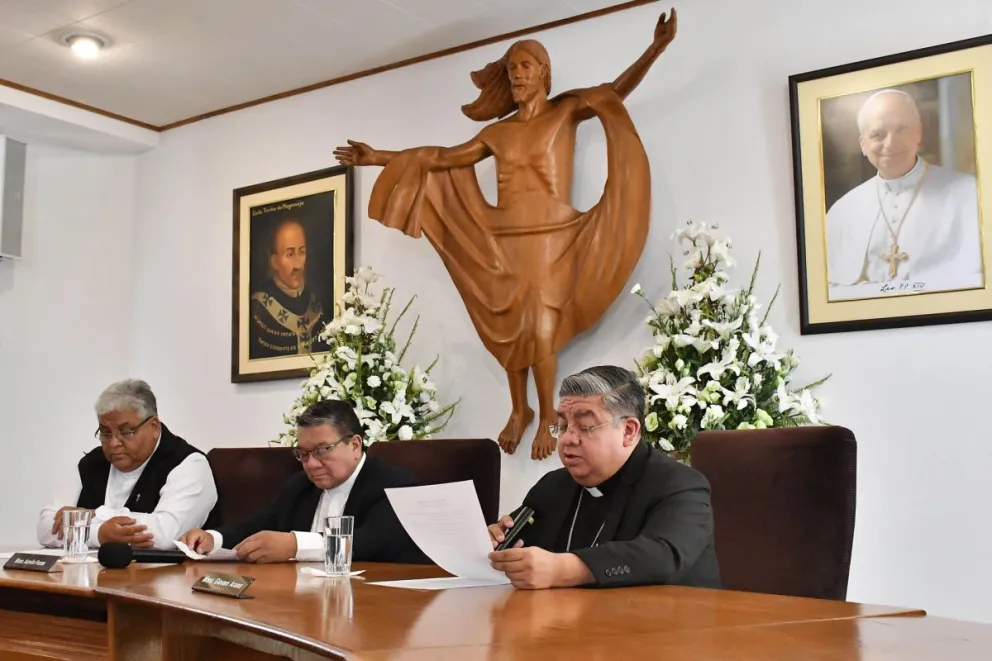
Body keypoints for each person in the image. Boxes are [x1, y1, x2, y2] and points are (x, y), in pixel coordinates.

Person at [334, 10, 678, 461]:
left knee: (542, 323)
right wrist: (377, 155)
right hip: (503, 235)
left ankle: (552, 413)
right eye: (512, 68)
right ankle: (520, 409)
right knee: (508, 324)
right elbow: (444, 158)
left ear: (544, 74)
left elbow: (615, 93)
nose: (517, 74)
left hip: (554, 234)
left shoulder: (567, 111)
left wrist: (656, 47)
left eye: (526, 66)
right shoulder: (496, 132)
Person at [486, 365, 721, 590]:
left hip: (667, 624)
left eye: (585, 426)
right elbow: (519, 549)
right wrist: (496, 544)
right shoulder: (552, 487)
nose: (568, 439)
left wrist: (566, 568)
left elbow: (665, 554)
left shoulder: (679, 485)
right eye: (562, 425)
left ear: (629, 431)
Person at [177, 399, 427, 564]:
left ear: (355, 444)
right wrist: (212, 538)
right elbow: (256, 526)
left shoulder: (395, 484)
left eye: (322, 450)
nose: (311, 464)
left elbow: (370, 543)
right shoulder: (299, 486)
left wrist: (295, 545)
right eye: (303, 454)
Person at [826, 88, 983, 301]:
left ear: (918, 133)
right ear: (863, 144)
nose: (890, 143)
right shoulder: (842, 211)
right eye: (877, 135)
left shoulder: (970, 195)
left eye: (901, 130)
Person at [37, 379, 220, 550]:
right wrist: (99, 535)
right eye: (105, 433)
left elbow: (166, 534)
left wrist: (93, 516)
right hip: (91, 578)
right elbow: (46, 528)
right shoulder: (92, 463)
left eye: (126, 432)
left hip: (165, 580)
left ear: (154, 427)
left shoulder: (189, 464)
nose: (114, 443)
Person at [249, 218, 329, 359]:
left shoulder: (317, 301)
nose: (298, 265)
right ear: (274, 261)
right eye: (290, 254)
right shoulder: (258, 307)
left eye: (302, 252)